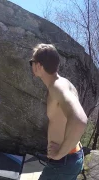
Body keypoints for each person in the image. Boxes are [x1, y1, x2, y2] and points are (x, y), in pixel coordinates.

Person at [29, 44, 88, 179]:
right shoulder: (64, 83)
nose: (31, 66)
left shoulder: (58, 87)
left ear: (38, 66)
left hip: (63, 162)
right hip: (72, 157)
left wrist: (60, 154)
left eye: (31, 62)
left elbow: (80, 121)